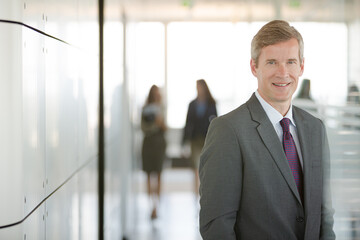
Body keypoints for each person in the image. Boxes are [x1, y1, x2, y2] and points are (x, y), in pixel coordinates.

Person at [199, 20, 335, 239]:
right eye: (272, 62)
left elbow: (324, 215)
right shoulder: (228, 130)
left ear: (301, 66)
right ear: (254, 67)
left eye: (291, 62)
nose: (283, 73)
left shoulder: (315, 128)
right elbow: (217, 227)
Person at [183, 79, 217, 195]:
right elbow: (187, 123)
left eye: (199, 86)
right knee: (195, 166)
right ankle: (196, 191)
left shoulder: (211, 103)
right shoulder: (192, 104)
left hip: (207, 138)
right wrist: (184, 141)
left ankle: (205, 189)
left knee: (206, 165)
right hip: (194, 138)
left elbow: (215, 121)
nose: (198, 89)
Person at [141, 85, 167, 220]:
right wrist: (153, 124)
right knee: (148, 174)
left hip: (159, 143)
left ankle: (157, 205)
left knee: (158, 173)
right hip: (148, 143)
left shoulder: (162, 108)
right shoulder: (145, 108)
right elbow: (143, 127)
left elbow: (165, 127)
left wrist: (159, 122)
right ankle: (151, 203)